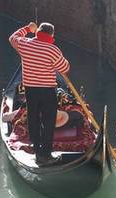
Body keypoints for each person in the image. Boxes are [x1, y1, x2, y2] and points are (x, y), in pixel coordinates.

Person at [9, 22, 70, 166]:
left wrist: (28, 29)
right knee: (49, 121)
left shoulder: (24, 44)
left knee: (33, 119)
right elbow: (65, 67)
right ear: (52, 35)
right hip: (48, 91)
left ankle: (38, 152)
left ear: (38, 32)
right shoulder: (53, 50)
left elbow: (13, 37)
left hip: (31, 91)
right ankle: (46, 154)